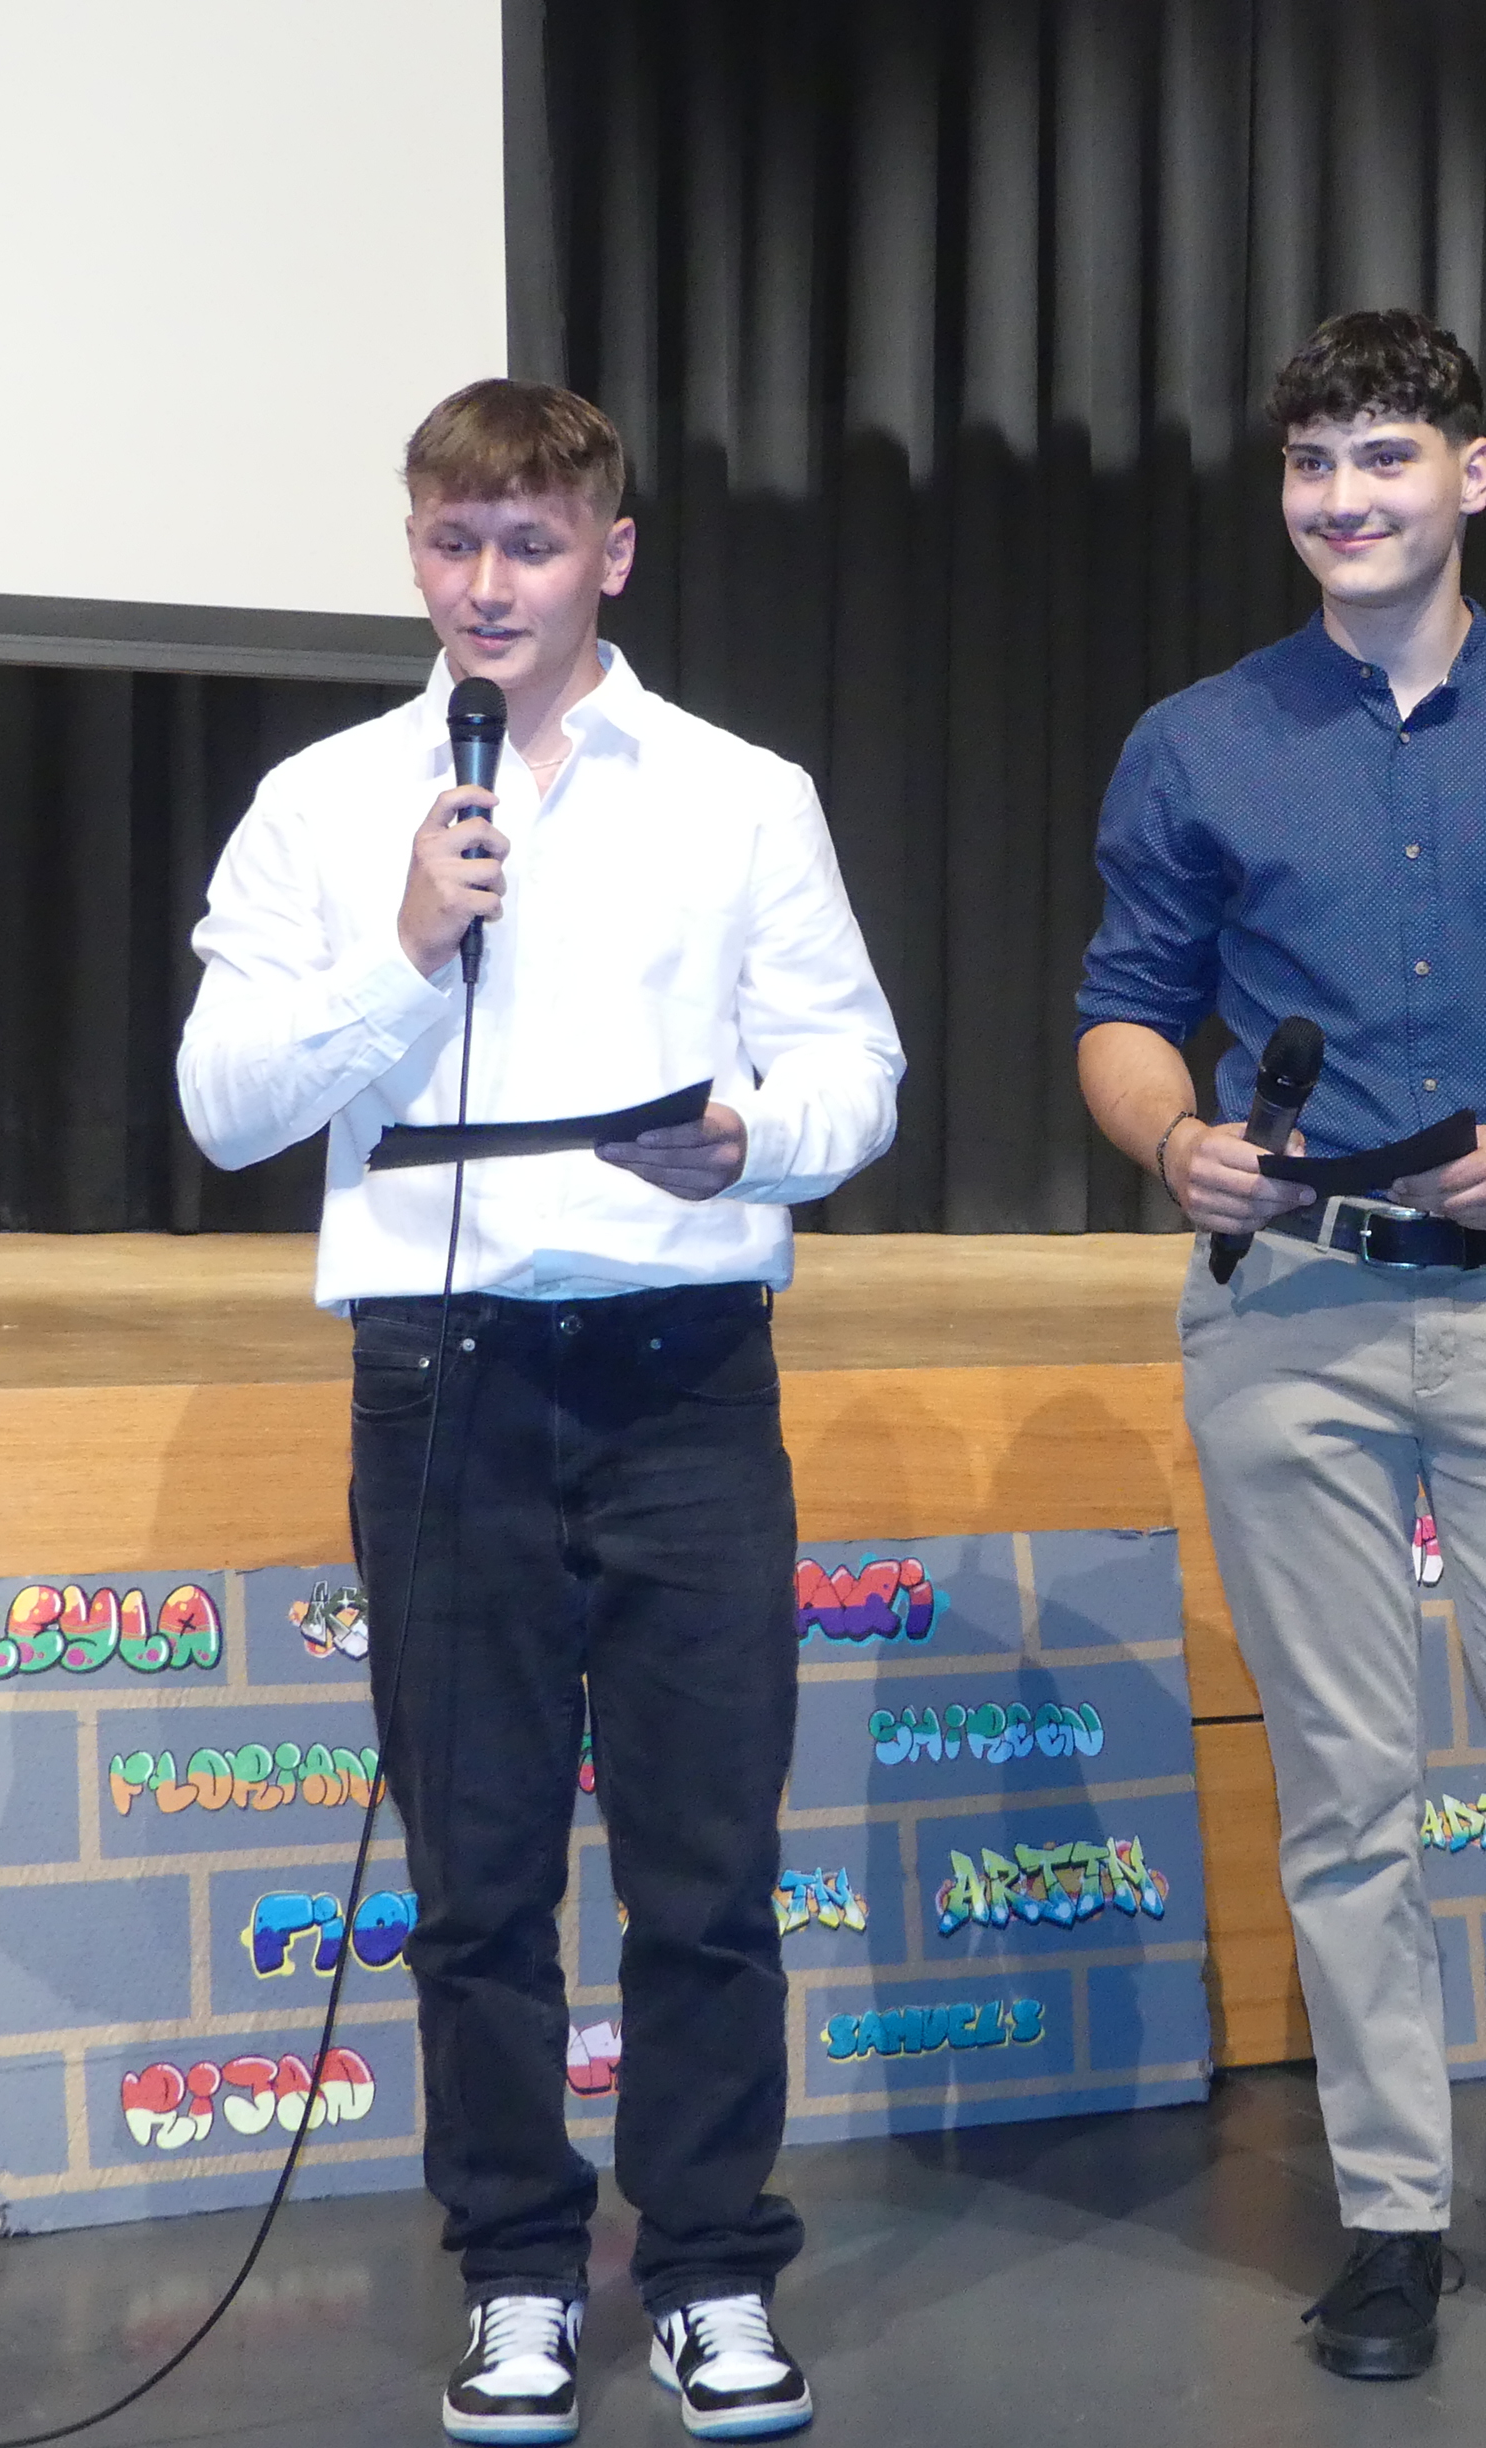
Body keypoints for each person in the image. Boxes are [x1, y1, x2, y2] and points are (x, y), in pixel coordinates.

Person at [177, 379, 904, 2443]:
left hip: (684, 1380)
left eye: (529, 542)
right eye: (452, 541)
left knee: (706, 1872)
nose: (487, 583)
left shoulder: (741, 794)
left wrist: (748, 1140)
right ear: (413, 550)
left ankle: (707, 2274)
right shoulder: (330, 803)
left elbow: (855, 1073)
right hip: (447, 1385)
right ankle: (512, 2272)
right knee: (480, 1879)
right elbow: (222, 1104)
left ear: (613, 553)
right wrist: (404, 949)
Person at [1075, 310, 1486, 2388]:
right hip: (1291, 1309)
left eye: (1383, 456)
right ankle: (1392, 2220)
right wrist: (1169, 1139)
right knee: (1349, 1790)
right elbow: (1123, 1010)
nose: (1344, 498)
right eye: (1312, 464)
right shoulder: (1199, 739)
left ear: (1474, 473)